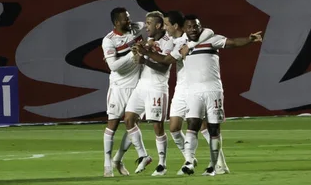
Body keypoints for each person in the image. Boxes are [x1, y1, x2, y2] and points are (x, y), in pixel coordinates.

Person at [135, 10, 230, 176]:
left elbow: (167, 60)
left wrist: (147, 53)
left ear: (175, 26)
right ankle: (190, 160)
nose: (165, 28)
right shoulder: (175, 40)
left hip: (192, 87)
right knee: (174, 128)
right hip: (180, 88)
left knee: (202, 126)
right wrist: (149, 44)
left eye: (166, 24)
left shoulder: (188, 40)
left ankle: (218, 163)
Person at [178, 14, 263, 176]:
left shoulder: (212, 39)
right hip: (193, 91)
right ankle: (189, 162)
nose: (193, 29)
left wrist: (249, 39)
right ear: (183, 29)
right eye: (189, 27)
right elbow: (169, 58)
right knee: (192, 125)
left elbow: (232, 43)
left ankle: (213, 165)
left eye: (196, 26)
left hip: (213, 90)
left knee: (214, 128)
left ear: (200, 26)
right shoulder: (182, 45)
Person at [112, 11, 175, 176]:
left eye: (148, 23)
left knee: (157, 126)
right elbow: (142, 57)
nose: (146, 27)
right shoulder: (150, 41)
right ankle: (143, 155)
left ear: (158, 25)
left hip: (157, 87)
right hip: (142, 85)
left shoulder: (169, 42)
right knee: (129, 119)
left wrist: (145, 58)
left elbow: (164, 67)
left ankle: (162, 164)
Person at [101, 7, 147, 177]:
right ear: (116, 22)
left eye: (129, 17)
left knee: (133, 125)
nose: (129, 20)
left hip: (138, 86)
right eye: (125, 19)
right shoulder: (109, 40)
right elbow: (114, 67)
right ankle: (107, 164)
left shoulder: (135, 28)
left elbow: (146, 22)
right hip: (119, 87)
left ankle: (118, 159)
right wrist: (132, 53)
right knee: (112, 124)